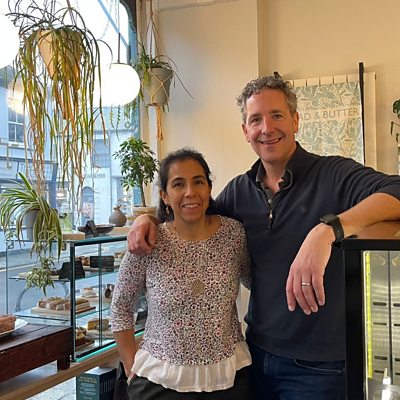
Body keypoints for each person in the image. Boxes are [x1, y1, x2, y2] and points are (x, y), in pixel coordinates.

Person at [126, 76, 400, 399]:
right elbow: (191, 214)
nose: (266, 128)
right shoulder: (239, 192)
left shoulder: (334, 175)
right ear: (246, 131)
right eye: (256, 119)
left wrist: (327, 230)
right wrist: (148, 219)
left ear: (295, 121)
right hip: (255, 359)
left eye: (277, 115)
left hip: (320, 370)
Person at [110, 148, 252, 400]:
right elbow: (120, 307)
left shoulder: (233, 235)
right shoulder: (148, 242)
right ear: (164, 195)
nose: (190, 192)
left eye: (198, 182)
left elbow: (254, 281)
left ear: (209, 188)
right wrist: (131, 367)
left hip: (228, 377)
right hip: (159, 382)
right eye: (178, 184)